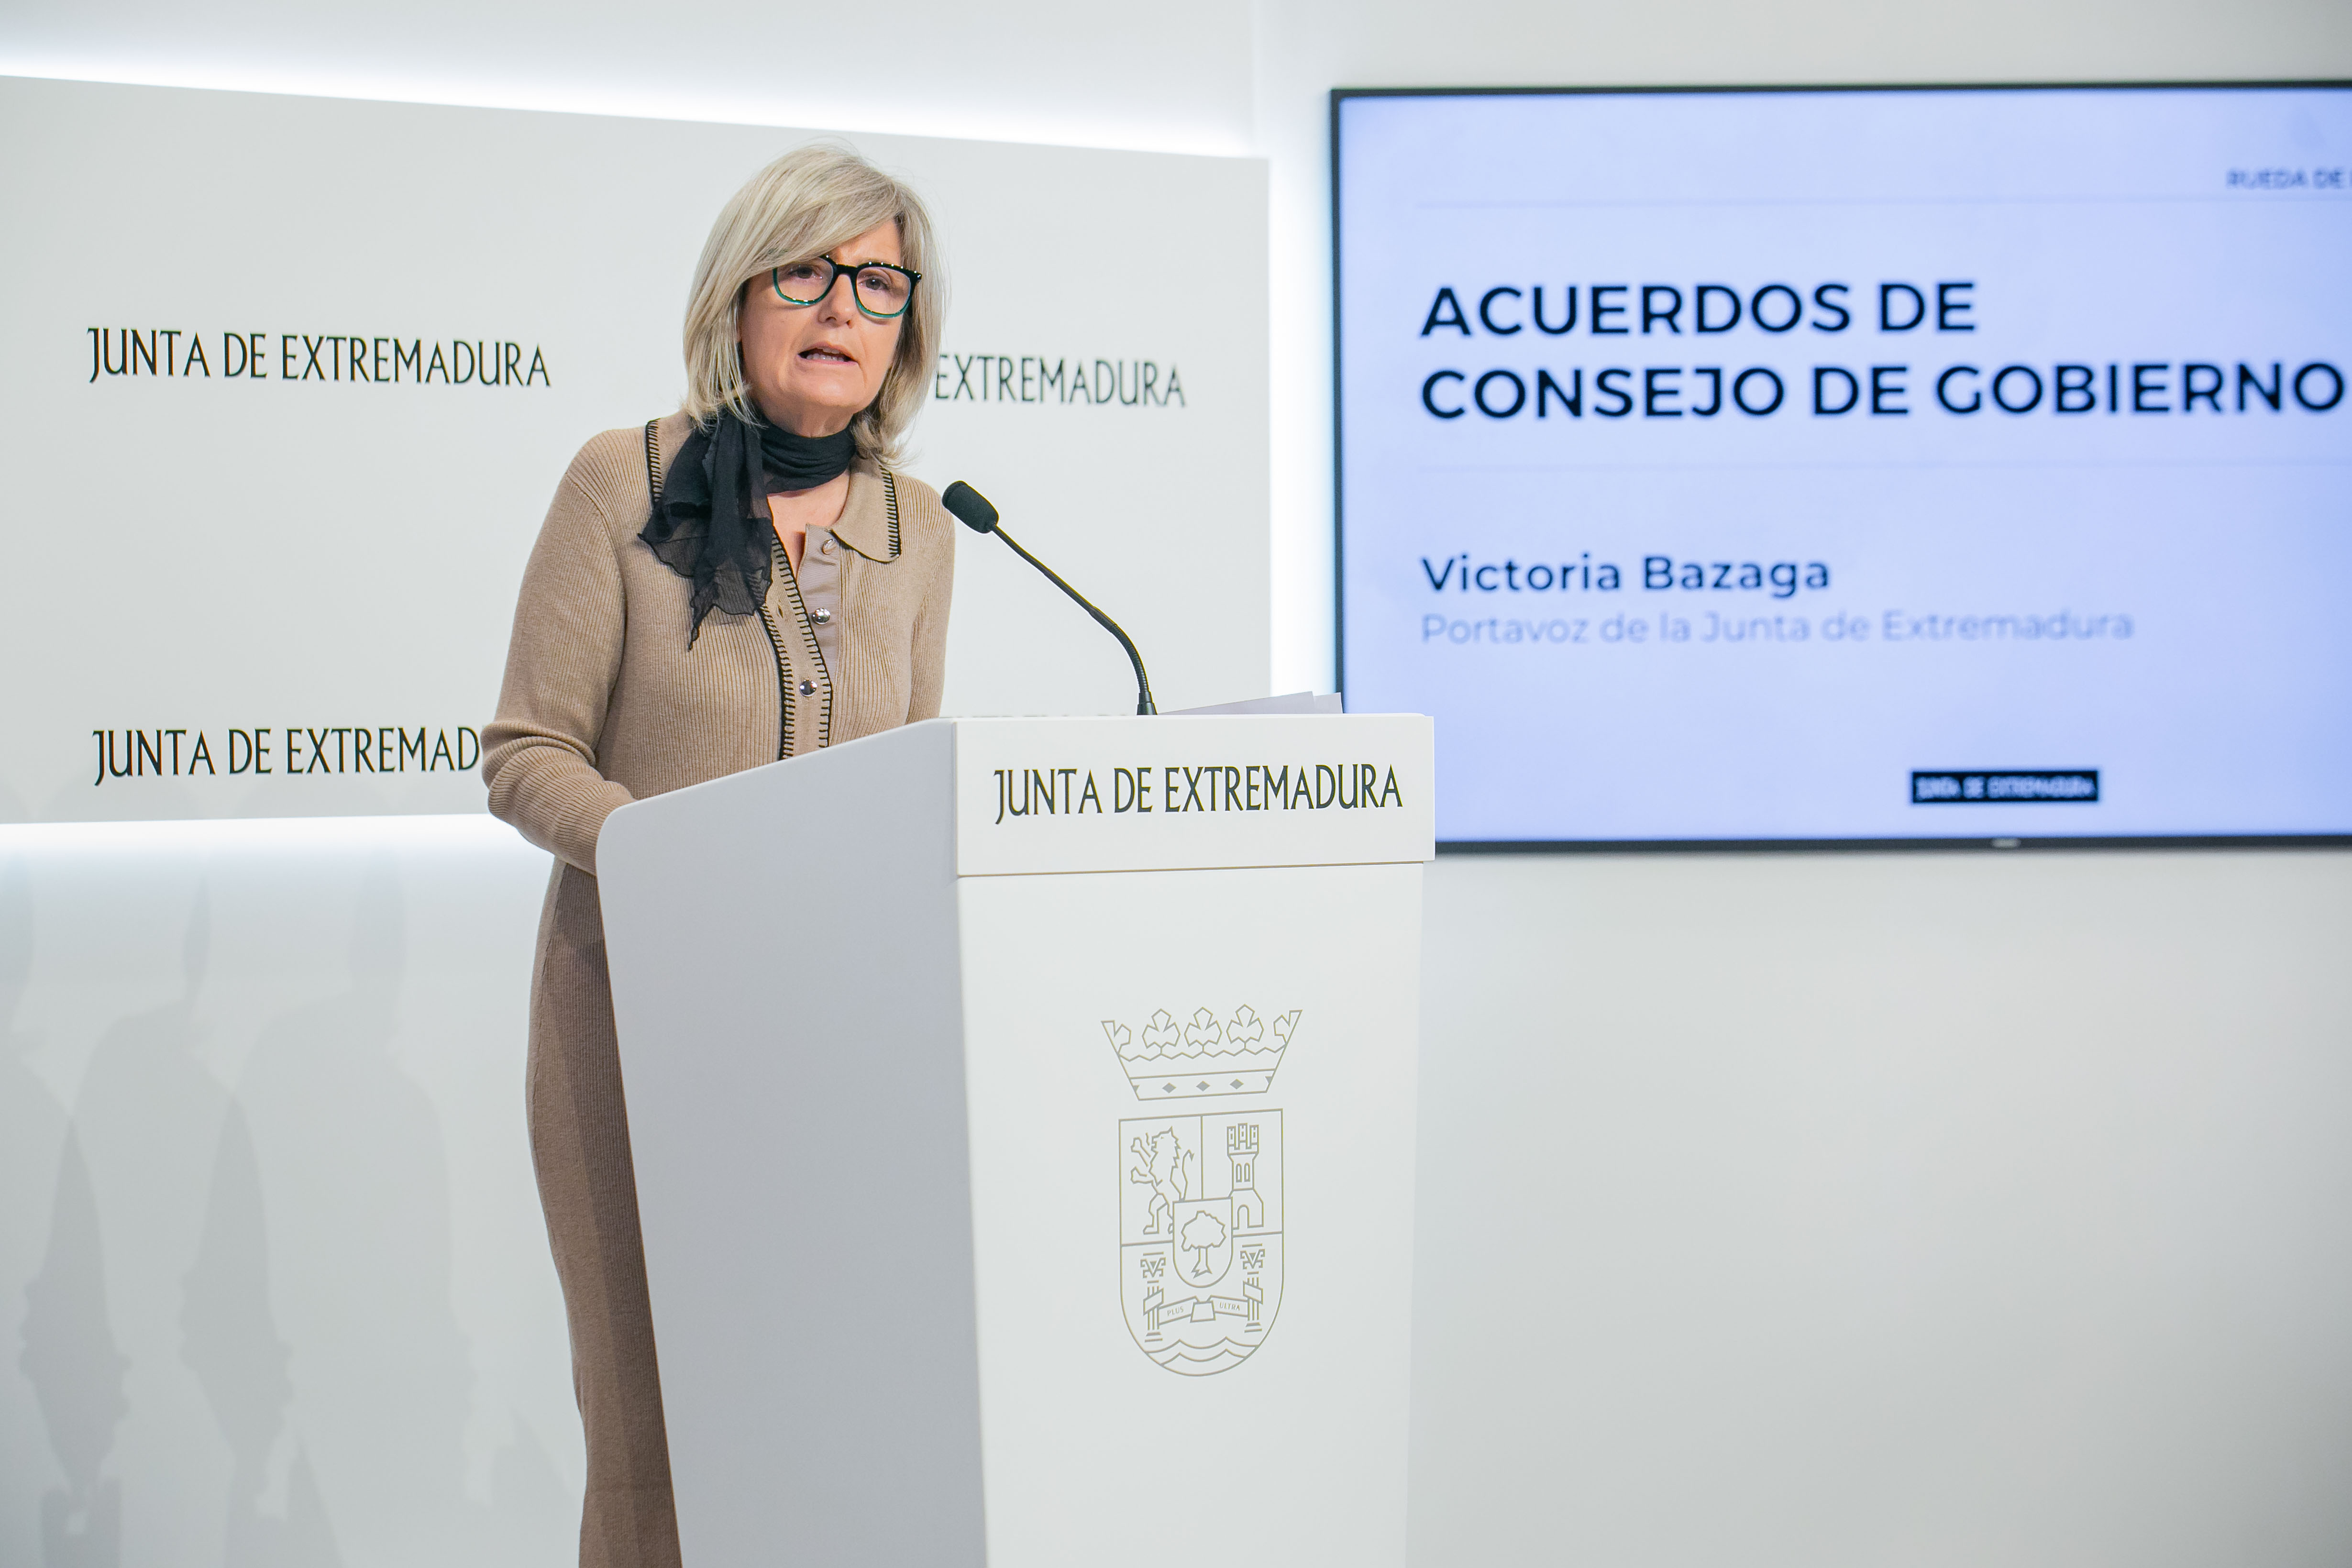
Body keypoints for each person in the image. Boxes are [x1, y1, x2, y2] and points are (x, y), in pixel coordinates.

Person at [481, 143, 954, 1568]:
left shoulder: (920, 529)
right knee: (652, 1442)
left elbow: (904, 771)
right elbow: (523, 753)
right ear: (738, 303)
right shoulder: (620, 483)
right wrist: (664, 854)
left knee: (822, 1415)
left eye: (878, 281)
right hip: (631, 1016)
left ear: (907, 327)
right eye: (804, 272)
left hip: (836, 1039)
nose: (841, 307)